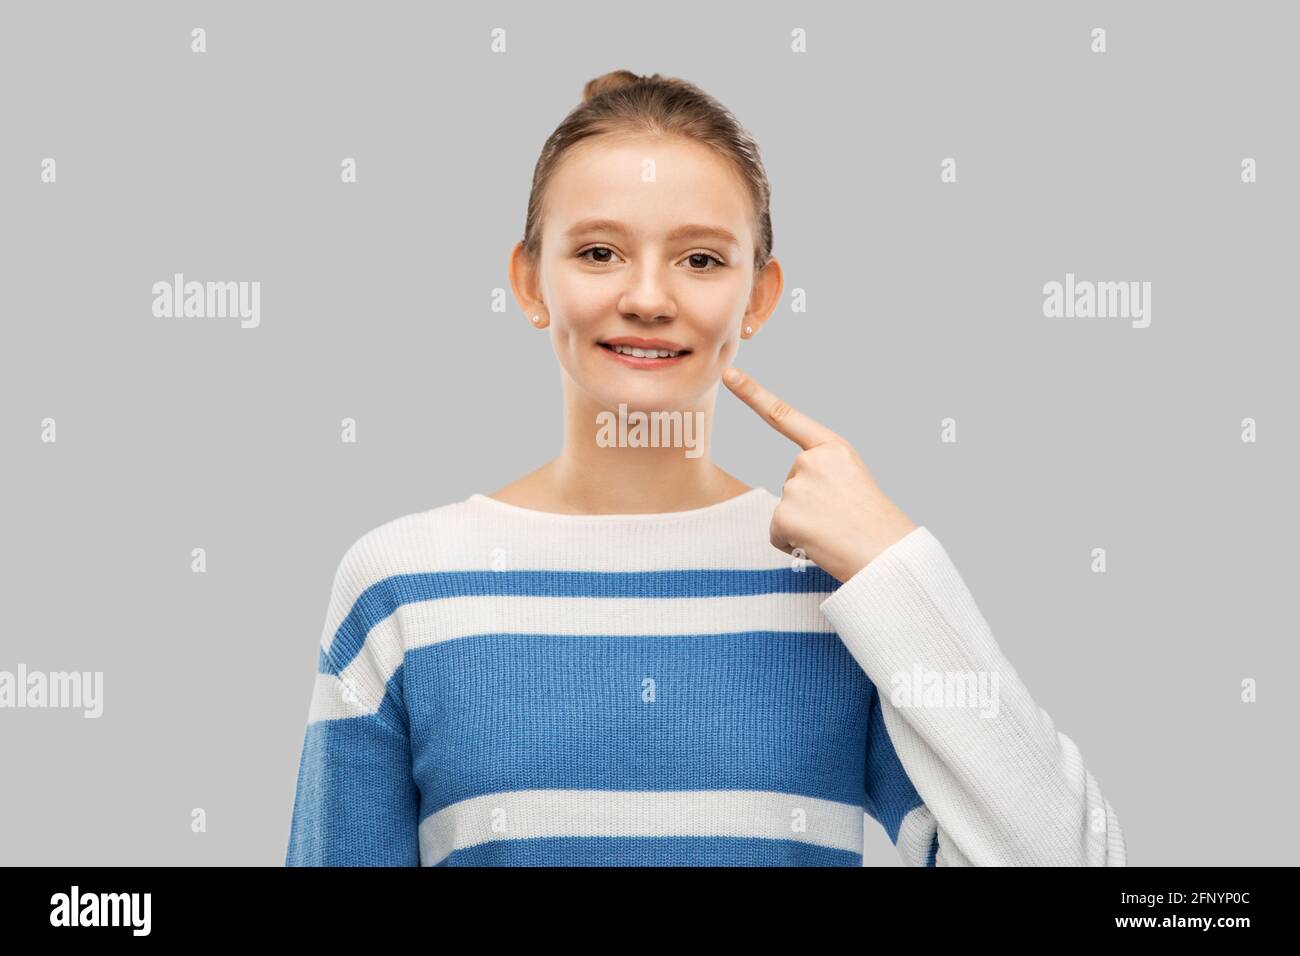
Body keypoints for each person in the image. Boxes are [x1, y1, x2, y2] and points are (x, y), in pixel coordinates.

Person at [285, 69, 1125, 866]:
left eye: (701, 259)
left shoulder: (844, 593)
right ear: (529, 279)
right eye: (600, 252)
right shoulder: (400, 587)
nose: (650, 297)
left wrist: (896, 568)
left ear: (757, 297)